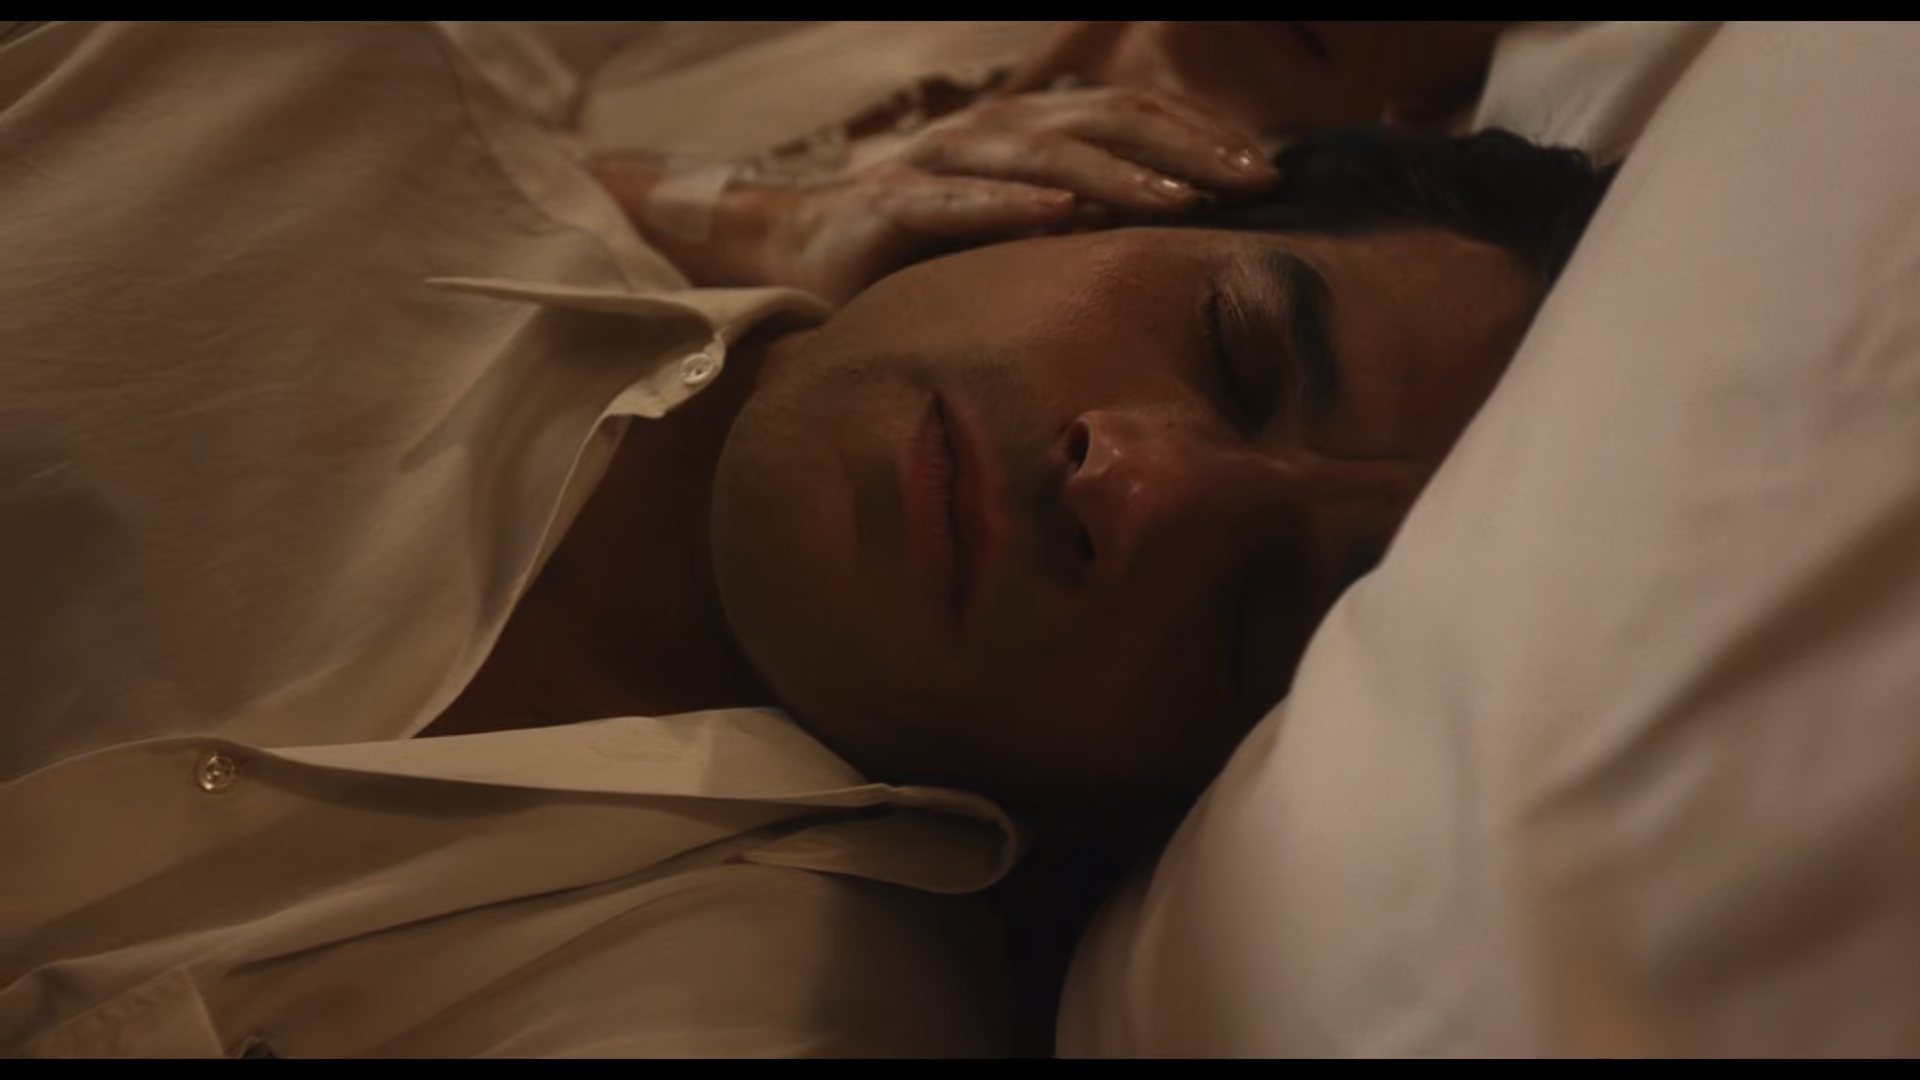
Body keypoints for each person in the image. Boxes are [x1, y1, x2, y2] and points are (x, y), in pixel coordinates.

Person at [0, 21, 1610, 1057]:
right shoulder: (244, 89)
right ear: (1108, 203)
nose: (1141, 491)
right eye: (1235, 347)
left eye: (1263, 619)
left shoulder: (766, 1011)